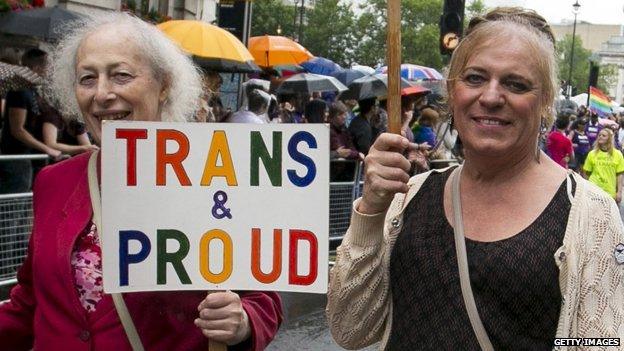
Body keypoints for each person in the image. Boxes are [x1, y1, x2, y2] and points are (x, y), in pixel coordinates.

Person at [327, 7, 624, 350]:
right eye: (475, 78)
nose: (492, 97)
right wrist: (371, 209)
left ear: (544, 102)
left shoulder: (591, 214)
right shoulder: (409, 195)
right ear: (453, 92)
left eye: (516, 84)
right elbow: (349, 330)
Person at [0, 12, 282, 350]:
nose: (101, 93)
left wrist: (243, 321)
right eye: (87, 78)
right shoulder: (53, 181)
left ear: (163, 86)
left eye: (120, 75)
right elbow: (29, 301)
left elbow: (262, 298)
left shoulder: (213, 180)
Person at [0, 48, 62, 194]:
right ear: (37, 68)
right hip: (16, 158)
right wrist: (47, 148)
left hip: (25, 158)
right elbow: (18, 130)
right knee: (14, 204)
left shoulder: (31, 91)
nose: (50, 71)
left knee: (22, 202)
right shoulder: (20, 92)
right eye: (48, 67)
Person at [583, 128, 624, 203]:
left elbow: (620, 175)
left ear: (610, 139)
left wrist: (619, 192)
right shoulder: (592, 154)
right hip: (593, 190)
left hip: (609, 192)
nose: (600, 136)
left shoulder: (618, 154)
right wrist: (585, 189)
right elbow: (586, 174)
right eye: (599, 135)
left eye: (604, 135)